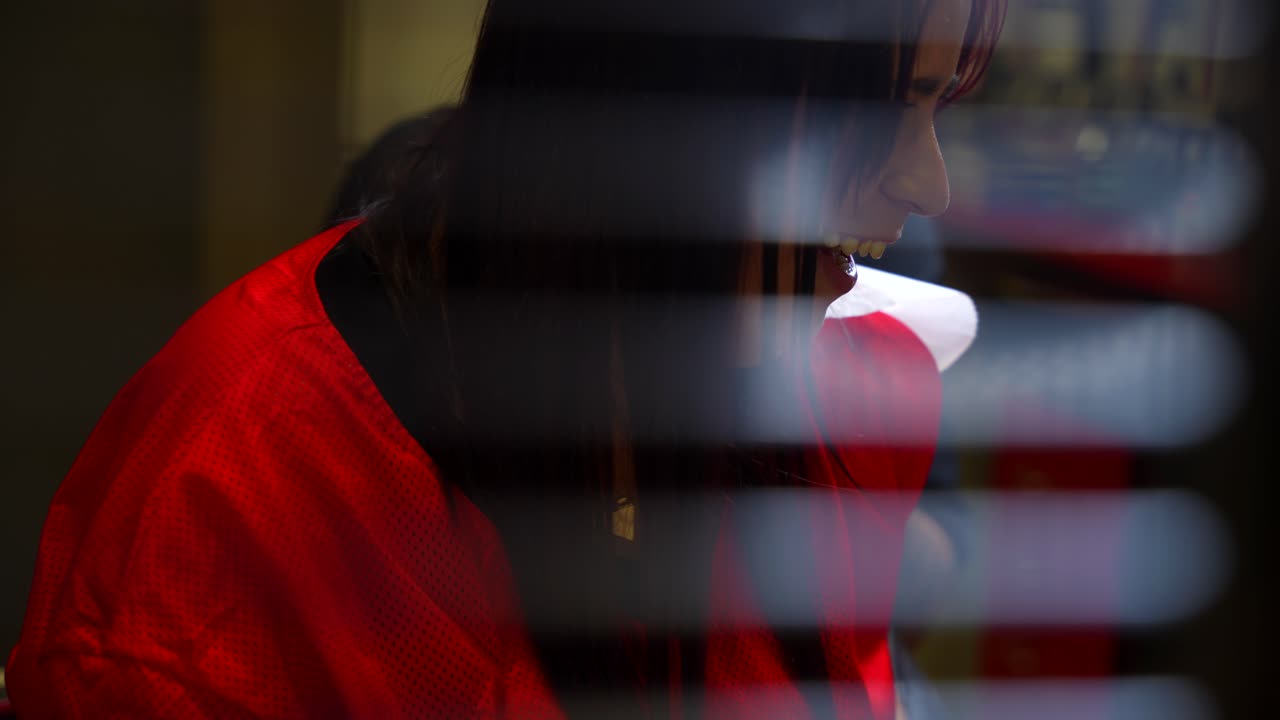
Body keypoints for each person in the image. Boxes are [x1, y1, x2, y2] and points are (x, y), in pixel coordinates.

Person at [5, 0, 1005, 717]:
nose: (928, 185)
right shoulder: (236, 491)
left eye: (934, 108)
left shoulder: (856, 397)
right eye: (880, 109)